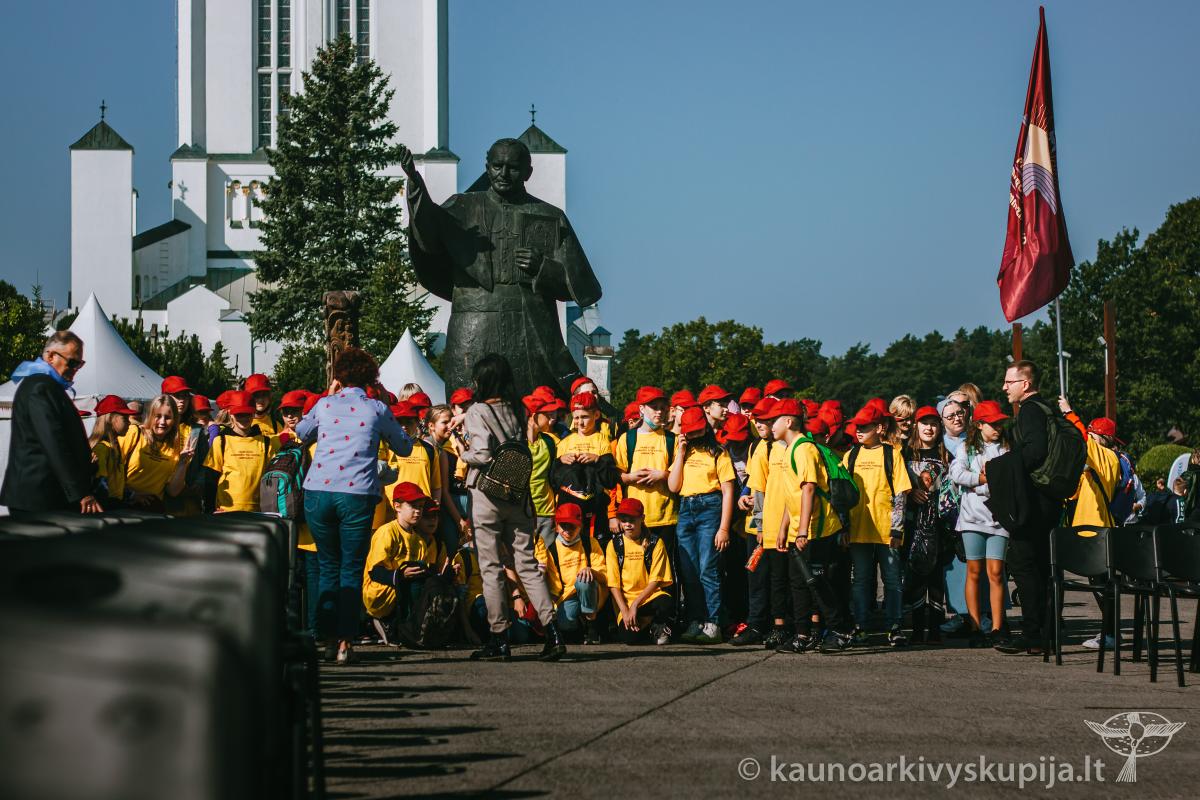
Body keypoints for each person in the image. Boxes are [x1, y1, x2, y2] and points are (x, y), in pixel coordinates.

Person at [401, 138, 602, 397]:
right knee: (468, 404)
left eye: (513, 168)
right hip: (474, 324)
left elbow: (585, 289)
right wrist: (416, 187)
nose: (504, 174)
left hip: (530, 328)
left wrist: (543, 268)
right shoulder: (462, 207)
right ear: (487, 167)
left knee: (534, 406)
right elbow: (428, 236)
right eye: (497, 166)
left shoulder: (550, 216)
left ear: (528, 172)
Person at [295, 347, 414, 665]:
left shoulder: (325, 404)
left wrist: (328, 394)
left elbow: (301, 432)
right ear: (372, 377)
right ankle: (345, 642)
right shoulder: (377, 409)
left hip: (318, 492)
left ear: (338, 376)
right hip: (356, 494)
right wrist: (388, 407)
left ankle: (327, 639)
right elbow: (404, 447)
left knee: (327, 567)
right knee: (350, 569)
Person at [460, 353, 567, 662]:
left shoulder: (477, 411)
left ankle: (499, 637)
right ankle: (552, 631)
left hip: (486, 495)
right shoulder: (518, 409)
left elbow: (482, 453)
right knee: (527, 564)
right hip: (517, 494)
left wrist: (463, 454)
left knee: (491, 566)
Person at [993, 360, 1064, 656]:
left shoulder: (1030, 410)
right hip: (1049, 499)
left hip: (1034, 501)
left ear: (1026, 384)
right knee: (1043, 567)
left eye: (1009, 382)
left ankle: (1033, 633)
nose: (1004, 387)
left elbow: (1034, 451)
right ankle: (1047, 632)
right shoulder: (1048, 409)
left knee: (1024, 565)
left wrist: (1001, 465)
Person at [776, 400, 855, 654]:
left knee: (817, 582)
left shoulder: (804, 449)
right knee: (799, 583)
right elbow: (792, 494)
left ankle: (841, 631)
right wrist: (784, 527)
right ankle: (802, 635)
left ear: (789, 421)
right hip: (799, 530)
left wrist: (802, 531)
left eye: (772, 420)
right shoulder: (789, 449)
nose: (767, 425)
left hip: (816, 530)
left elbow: (809, 489)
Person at [1, 331, 102, 515]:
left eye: (80, 363)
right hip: (37, 497)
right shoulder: (40, 387)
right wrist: (79, 492)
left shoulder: (47, 386)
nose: (76, 368)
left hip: (44, 495)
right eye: (72, 362)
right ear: (50, 356)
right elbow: (54, 441)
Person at [843, 404, 912, 646]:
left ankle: (894, 626)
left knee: (892, 580)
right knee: (860, 580)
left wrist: (897, 529)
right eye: (857, 426)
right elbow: (842, 495)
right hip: (858, 529)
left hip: (886, 530)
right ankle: (861, 626)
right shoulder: (851, 455)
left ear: (880, 428)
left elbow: (901, 494)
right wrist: (844, 527)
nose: (858, 431)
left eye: (864, 427)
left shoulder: (892, 454)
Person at [667, 406, 735, 644]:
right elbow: (673, 486)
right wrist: (680, 453)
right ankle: (695, 620)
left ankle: (713, 622)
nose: (694, 435)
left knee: (708, 569)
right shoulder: (684, 452)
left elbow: (728, 492)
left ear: (705, 428)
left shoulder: (719, 452)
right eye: (690, 432)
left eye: (697, 431)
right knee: (689, 572)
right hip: (686, 509)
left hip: (710, 507)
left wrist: (724, 528)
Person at [362, 482, 460, 648]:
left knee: (430, 580)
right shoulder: (387, 531)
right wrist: (400, 575)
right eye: (413, 506)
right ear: (397, 506)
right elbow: (375, 572)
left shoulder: (419, 540)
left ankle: (409, 627)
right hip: (379, 592)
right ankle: (387, 620)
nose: (418, 511)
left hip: (401, 592)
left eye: (420, 506)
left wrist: (444, 575)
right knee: (415, 580)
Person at [949, 400, 1012, 647]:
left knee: (996, 572)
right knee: (974, 571)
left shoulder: (1006, 448)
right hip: (971, 519)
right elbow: (957, 474)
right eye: (992, 423)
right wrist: (983, 479)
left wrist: (984, 482)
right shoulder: (966, 448)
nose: (998, 428)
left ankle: (997, 627)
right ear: (979, 424)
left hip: (999, 519)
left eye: (1000, 423)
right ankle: (975, 626)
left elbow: (1008, 479)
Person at [902, 405, 951, 644]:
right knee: (915, 576)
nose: (929, 428)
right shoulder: (905, 453)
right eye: (924, 423)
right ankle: (916, 629)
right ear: (916, 426)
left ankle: (935, 630)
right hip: (913, 524)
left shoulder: (946, 454)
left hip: (939, 524)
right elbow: (896, 483)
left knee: (936, 578)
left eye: (933, 424)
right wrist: (911, 491)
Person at [732, 397, 778, 646]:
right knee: (756, 577)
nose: (759, 423)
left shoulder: (780, 447)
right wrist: (743, 496)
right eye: (757, 419)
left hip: (772, 525)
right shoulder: (756, 446)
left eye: (765, 420)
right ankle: (757, 624)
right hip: (754, 524)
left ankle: (774, 625)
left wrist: (762, 524)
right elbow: (752, 479)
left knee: (776, 578)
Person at [551, 392, 620, 545]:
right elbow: (553, 480)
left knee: (595, 550)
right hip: (568, 511)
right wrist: (560, 461)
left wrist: (597, 460)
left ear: (596, 415)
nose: (580, 422)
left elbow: (610, 480)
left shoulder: (602, 441)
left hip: (595, 511)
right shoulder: (565, 442)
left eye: (584, 417)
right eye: (576, 418)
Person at [535, 502, 608, 643]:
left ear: (580, 526)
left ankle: (592, 627)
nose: (568, 530)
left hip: (592, 591)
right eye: (564, 526)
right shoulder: (552, 550)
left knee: (584, 580)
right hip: (568, 596)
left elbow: (604, 577)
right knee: (566, 627)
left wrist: (592, 571)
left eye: (572, 526)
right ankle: (580, 624)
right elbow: (555, 588)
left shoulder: (590, 543)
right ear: (556, 527)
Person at [606, 498, 675, 645]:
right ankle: (647, 626)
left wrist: (635, 605)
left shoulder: (655, 542)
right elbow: (613, 584)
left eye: (632, 520)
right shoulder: (614, 545)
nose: (628, 524)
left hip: (648, 598)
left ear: (642, 518)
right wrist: (625, 610)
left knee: (665, 602)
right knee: (630, 639)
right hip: (625, 601)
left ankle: (657, 625)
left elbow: (656, 580)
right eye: (624, 520)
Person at [203, 391, 277, 512]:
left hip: (257, 511)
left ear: (253, 413)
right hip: (225, 511)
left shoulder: (266, 442)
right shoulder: (221, 441)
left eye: (247, 414)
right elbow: (210, 478)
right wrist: (210, 509)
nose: (244, 418)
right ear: (230, 414)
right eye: (239, 414)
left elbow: (271, 479)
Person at [120, 395, 196, 509]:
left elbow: (173, 491)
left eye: (168, 417)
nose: (162, 422)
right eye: (158, 416)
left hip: (152, 509)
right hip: (124, 506)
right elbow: (112, 471)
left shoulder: (175, 447)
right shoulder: (135, 433)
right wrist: (131, 494)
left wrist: (182, 463)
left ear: (174, 420)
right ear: (150, 416)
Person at [522, 392, 563, 551]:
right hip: (522, 512)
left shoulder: (549, 442)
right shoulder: (518, 443)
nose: (553, 418)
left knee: (548, 558)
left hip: (546, 511)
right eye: (547, 414)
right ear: (534, 416)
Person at [87, 394, 139, 508]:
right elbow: (101, 485)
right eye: (125, 419)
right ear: (110, 419)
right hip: (106, 509)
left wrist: (133, 495)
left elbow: (115, 485)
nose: (129, 423)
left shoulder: (114, 447)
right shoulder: (102, 448)